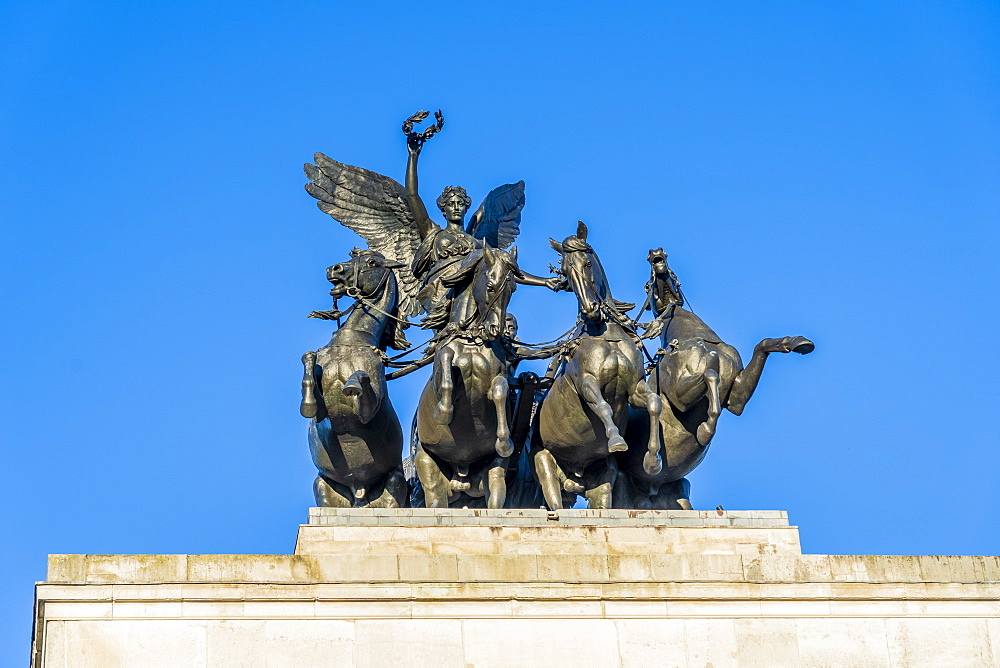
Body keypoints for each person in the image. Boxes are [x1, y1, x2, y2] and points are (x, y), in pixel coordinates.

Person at [403, 132, 563, 330]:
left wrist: (544, 281)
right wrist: (413, 157)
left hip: (469, 297)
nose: (456, 207)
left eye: (460, 204)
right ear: (443, 209)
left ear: (465, 207)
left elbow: (508, 270)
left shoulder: (478, 243)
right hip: (442, 294)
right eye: (451, 204)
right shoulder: (432, 232)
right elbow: (412, 195)